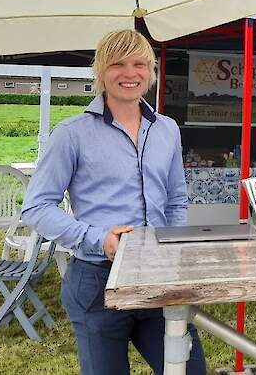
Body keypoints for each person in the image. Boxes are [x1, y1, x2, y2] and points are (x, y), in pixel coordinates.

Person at [21, 29, 206, 375]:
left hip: (158, 276)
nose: (129, 73)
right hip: (96, 282)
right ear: (101, 72)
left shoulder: (167, 129)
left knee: (189, 371)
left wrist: (175, 252)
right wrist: (98, 238)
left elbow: (177, 199)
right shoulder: (71, 134)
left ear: (151, 72)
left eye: (139, 64)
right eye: (117, 64)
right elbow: (36, 207)